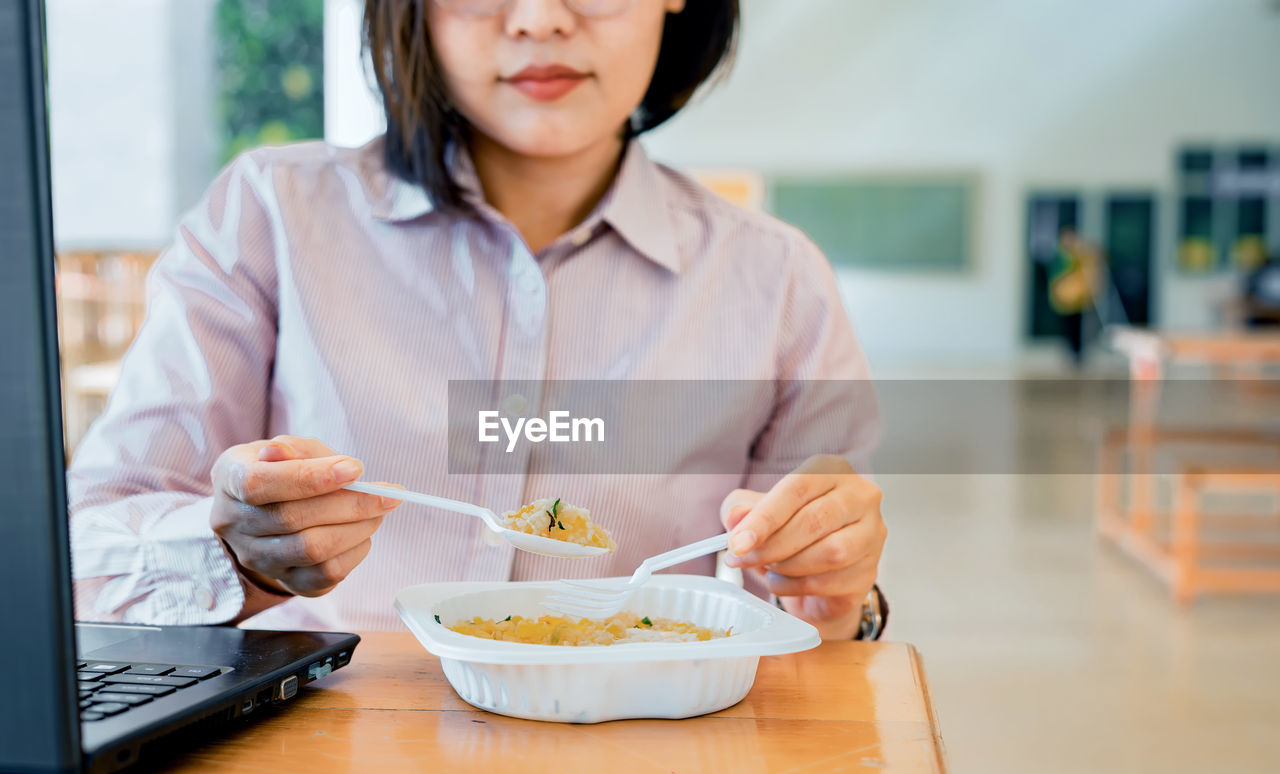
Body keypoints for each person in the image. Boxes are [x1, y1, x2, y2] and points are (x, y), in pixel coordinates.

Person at [68, 0, 886, 640]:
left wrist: (827, 585)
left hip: (640, 771)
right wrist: (234, 553)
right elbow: (81, 554)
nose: (538, 17)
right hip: (303, 759)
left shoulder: (775, 280)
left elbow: (807, 623)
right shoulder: (267, 216)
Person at [1048, 226, 1101, 367]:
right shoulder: (1061, 256)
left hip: (1079, 300)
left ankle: (1078, 354)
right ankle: (1070, 353)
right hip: (1064, 299)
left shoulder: (1080, 255)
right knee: (1067, 328)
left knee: (1078, 328)